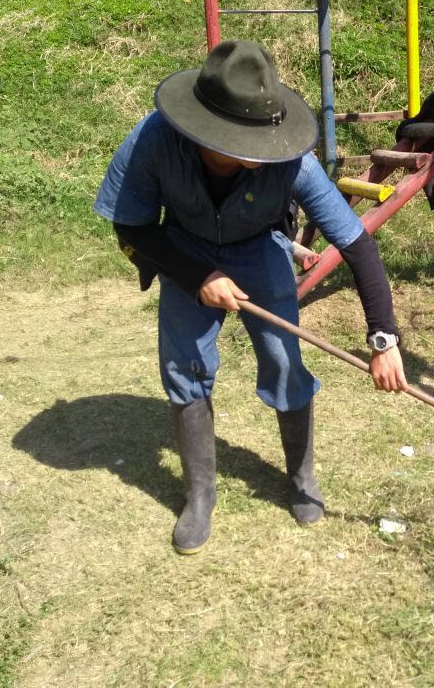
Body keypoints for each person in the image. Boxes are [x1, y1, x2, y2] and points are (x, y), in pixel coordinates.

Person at [94, 40, 408, 554]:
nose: (264, 156)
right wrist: (198, 275)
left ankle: (303, 478)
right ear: (205, 133)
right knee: (184, 365)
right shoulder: (154, 141)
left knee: (286, 362)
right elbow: (132, 227)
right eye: (246, 145)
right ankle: (199, 495)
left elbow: (356, 244)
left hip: (260, 250)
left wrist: (383, 338)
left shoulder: (291, 161)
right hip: (183, 252)